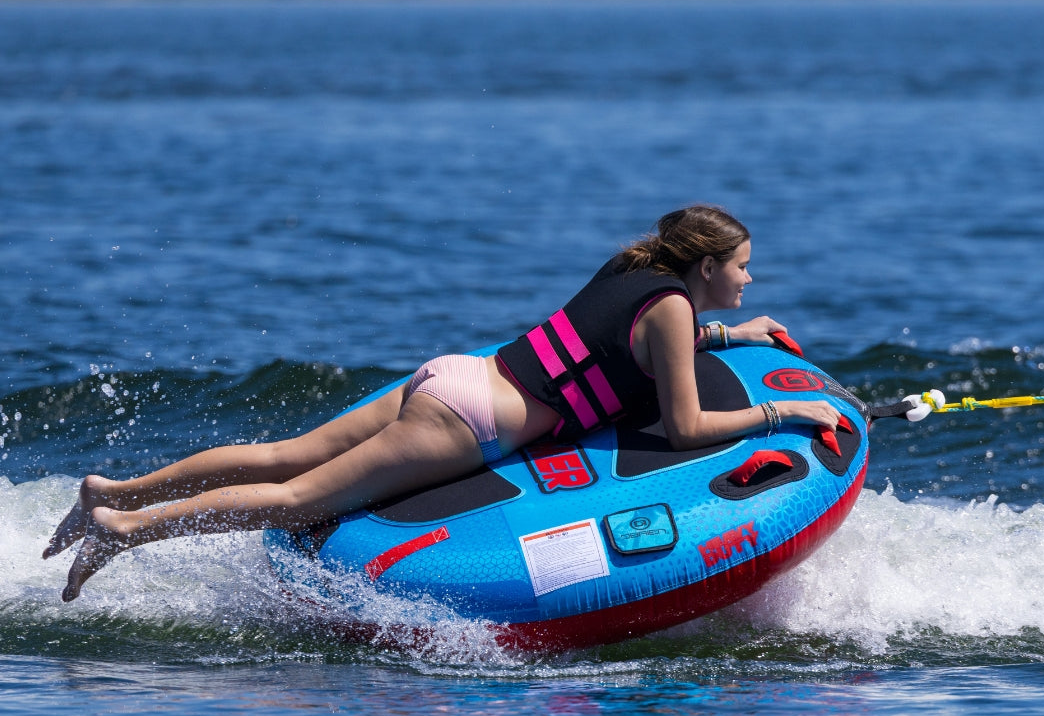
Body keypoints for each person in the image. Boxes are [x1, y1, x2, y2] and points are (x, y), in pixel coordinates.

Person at [44, 204, 841, 601]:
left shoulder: (640, 272)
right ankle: (128, 530)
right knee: (292, 500)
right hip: (477, 420)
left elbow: (618, 351)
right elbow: (685, 425)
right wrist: (783, 415)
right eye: (741, 269)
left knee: (287, 454)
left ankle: (116, 489)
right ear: (705, 269)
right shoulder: (673, 309)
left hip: (455, 374)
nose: (746, 281)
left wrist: (730, 335)